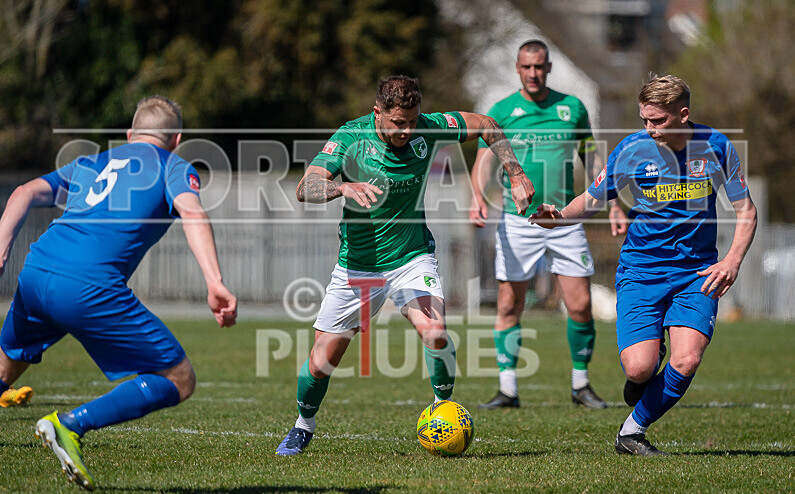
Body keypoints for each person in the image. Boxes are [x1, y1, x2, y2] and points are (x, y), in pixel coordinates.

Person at [275, 76, 535, 456]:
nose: (407, 130)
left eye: (412, 121)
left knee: (435, 333)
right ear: (377, 113)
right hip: (358, 266)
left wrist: (516, 174)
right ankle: (303, 425)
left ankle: (442, 408)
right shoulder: (350, 138)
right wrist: (341, 187)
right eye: (398, 123)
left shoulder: (427, 127)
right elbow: (305, 188)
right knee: (319, 364)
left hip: (412, 257)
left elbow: (488, 125)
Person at [0, 96, 238, 489]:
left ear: (130, 135)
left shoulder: (90, 163)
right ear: (176, 139)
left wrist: (3, 246)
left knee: (7, 367)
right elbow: (193, 213)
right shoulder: (172, 166)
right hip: (89, 285)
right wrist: (214, 282)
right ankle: (69, 425)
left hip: (37, 271)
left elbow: (24, 191)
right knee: (179, 380)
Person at [532, 75, 757, 455]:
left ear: (683, 115)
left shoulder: (716, 147)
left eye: (658, 121)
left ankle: (631, 432)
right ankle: (647, 369)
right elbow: (591, 199)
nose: (649, 130)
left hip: (696, 273)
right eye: (644, 120)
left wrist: (732, 261)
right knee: (639, 369)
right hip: (641, 271)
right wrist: (559, 216)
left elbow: (746, 210)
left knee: (687, 359)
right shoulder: (631, 149)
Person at [470, 39, 626, 410]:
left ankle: (580, 385)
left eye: (539, 66)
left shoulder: (571, 108)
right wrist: (477, 198)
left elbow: (592, 157)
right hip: (516, 220)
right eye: (526, 67)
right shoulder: (502, 111)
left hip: (564, 219)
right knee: (510, 304)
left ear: (549, 67)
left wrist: (615, 203)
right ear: (517, 68)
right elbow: (484, 159)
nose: (533, 73)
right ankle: (508, 390)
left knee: (581, 304)